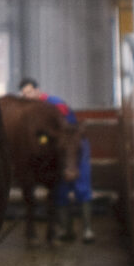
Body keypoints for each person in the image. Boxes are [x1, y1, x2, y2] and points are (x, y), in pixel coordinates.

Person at [44, 94, 95, 243]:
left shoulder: (53, 102)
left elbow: (68, 122)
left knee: (82, 186)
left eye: (29, 91)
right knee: (61, 190)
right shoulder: (39, 106)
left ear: (36, 90)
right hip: (61, 150)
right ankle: (66, 229)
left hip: (75, 144)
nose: (26, 95)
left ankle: (87, 230)